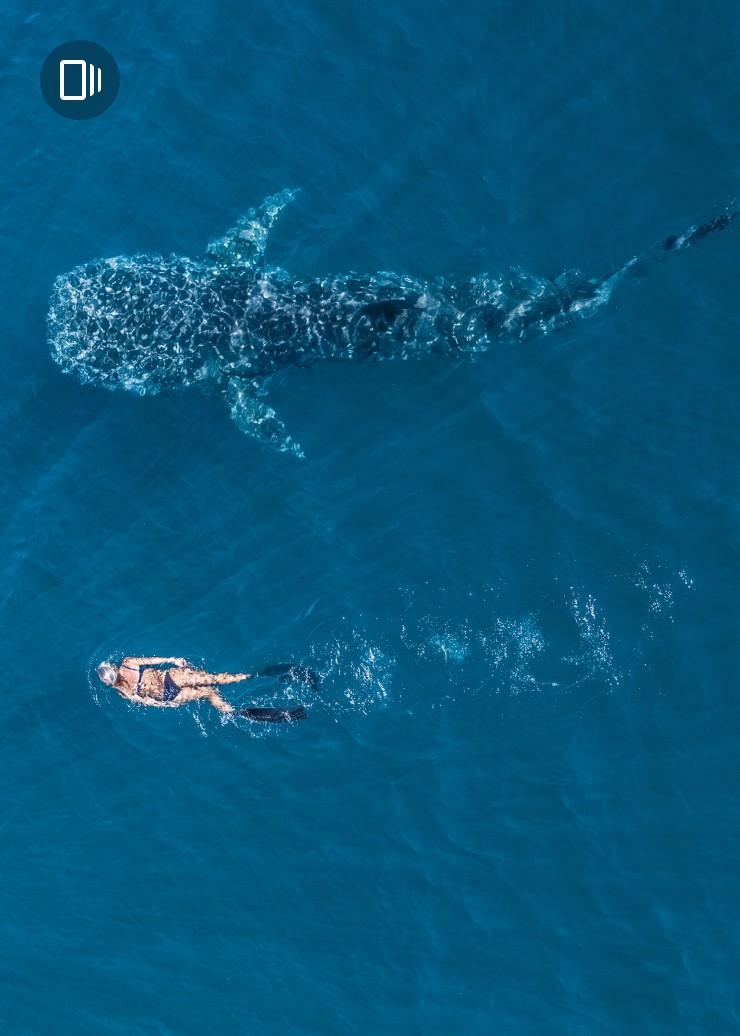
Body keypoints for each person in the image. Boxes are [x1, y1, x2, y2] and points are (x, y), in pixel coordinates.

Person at [96, 656, 305, 721]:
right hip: (171, 677)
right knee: (218, 679)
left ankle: (234, 713)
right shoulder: (127, 662)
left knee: (209, 693)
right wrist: (173, 660)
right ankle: (253, 676)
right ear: (112, 667)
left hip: (169, 695)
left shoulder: (121, 692)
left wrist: (169, 704)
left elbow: (147, 701)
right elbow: (153, 659)